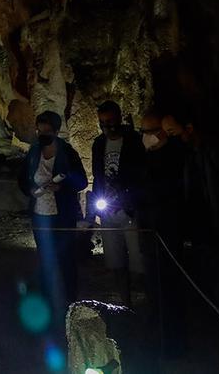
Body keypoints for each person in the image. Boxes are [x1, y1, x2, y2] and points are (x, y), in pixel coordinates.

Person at [19, 110, 88, 329]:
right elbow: (22, 177)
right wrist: (30, 189)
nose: (42, 135)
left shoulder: (67, 153)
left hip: (62, 214)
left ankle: (70, 304)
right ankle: (49, 304)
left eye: (47, 131)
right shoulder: (34, 152)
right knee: (46, 259)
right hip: (41, 215)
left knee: (66, 260)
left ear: (57, 132)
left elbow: (81, 181)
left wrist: (62, 186)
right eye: (39, 131)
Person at [135, 109, 191, 357]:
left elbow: (167, 194)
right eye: (142, 132)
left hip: (167, 232)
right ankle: (157, 335)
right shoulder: (146, 158)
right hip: (149, 233)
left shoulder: (175, 158)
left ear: (161, 132)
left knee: (170, 289)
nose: (145, 137)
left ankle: (173, 342)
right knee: (153, 288)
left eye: (148, 132)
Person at [90, 100, 146, 305]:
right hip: (108, 211)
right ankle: (126, 304)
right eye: (103, 122)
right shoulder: (98, 144)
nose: (108, 126)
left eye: (111, 121)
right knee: (116, 262)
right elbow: (97, 175)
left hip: (129, 210)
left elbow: (141, 173)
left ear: (120, 118)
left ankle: (149, 304)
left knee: (140, 263)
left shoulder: (133, 141)